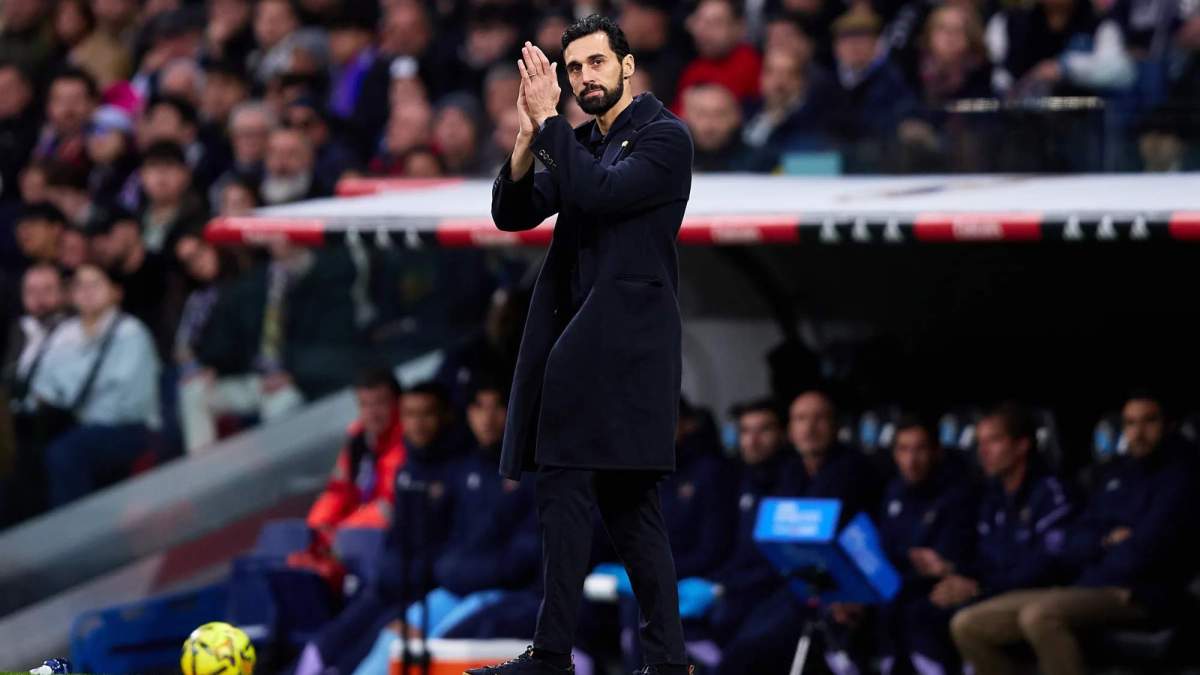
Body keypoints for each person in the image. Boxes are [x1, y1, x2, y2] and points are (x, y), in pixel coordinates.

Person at [482, 13, 694, 675]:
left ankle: (551, 655)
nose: (583, 79)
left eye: (596, 63)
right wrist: (526, 136)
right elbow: (513, 211)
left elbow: (598, 195)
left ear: (627, 66)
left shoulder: (665, 139)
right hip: (587, 339)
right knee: (631, 509)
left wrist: (549, 126)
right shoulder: (580, 140)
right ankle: (667, 662)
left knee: (579, 481)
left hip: (625, 347)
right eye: (573, 69)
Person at [951, 393, 1198, 675]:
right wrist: (1105, 541)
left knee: (1040, 615)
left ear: (1170, 425)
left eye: (1149, 421)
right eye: (1130, 423)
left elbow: (1146, 550)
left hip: (1140, 592)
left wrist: (1096, 551)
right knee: (968, 624)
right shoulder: (1115, 473)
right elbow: (1072, 539)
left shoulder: (1183, 477)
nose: (1137, 433)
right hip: (1085, 584)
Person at [295, 381, 462, 675]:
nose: (418, 424)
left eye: (427, 414)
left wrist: (342, 534)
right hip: (391, 580)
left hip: (428, 589)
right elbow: (339, 492)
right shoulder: (384, 456)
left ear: (444, 416)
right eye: (411, 414)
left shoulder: (458, 470)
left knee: (364, 658)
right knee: (319, 649)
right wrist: (320, 529)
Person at [30, 264, 160, 507]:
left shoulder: (131, 333)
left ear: (115, 292)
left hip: (128, 428)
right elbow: (44, 385)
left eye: (95, 284)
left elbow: (130, 404)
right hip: (75, 424)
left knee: (66, 452)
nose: (86, 291)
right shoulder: (65, 333)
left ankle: (75, 533)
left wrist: (74, 402)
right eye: (79, 286)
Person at [874, 416, 977, 675]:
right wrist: (907, 560)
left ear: (936, 452)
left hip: (939, 589)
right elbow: (883, 550)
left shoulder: (957, 494)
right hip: (900, 585)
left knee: (918, 615)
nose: (911, 460)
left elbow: (943, 562)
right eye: (904, 449)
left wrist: (910, 562)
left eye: (919, 449)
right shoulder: (892, 491)